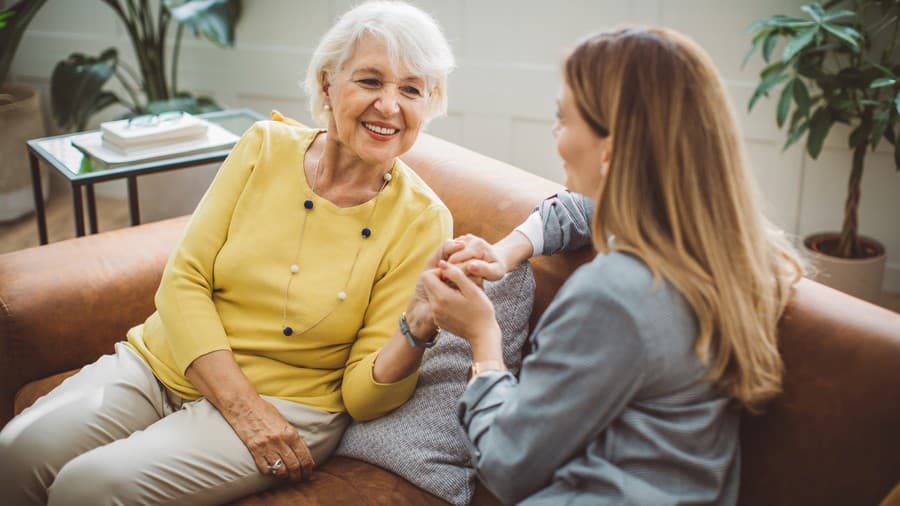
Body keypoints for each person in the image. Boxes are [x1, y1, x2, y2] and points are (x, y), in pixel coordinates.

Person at [0, 2, 456, 505]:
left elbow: (362, 399)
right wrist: (239, 404)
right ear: (327, 85)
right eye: (370, 81)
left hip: (288, 403)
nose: (389, 106)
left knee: (88, 489)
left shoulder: (421, 220)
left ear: (427, 104)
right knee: (16, 450)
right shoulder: (264, 147)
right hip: (166, 361)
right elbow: (183, 279)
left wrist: (416, 331)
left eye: (411, 89)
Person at [422, 27, 804, 505]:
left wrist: (483, 340)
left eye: (564, 118)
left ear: (612, 146)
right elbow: (586, 210)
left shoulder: (613, 295)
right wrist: (507, 251)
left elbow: (506, 464)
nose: (556, 133)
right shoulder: (723, 245)